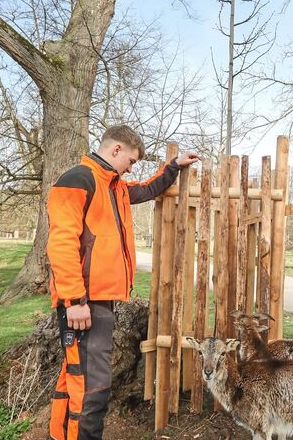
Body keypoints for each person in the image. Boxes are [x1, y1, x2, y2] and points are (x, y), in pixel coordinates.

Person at [47, 125, 199, 440]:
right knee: (92, 390)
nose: (131, 168)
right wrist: (75, 301)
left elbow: (145, 189)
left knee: (74, 379)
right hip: (83, 304)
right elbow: (61, 244)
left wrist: (173, 167)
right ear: (116, 150)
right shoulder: (78, 180)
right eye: (130, 160)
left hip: (97, 301)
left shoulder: (113, 187)